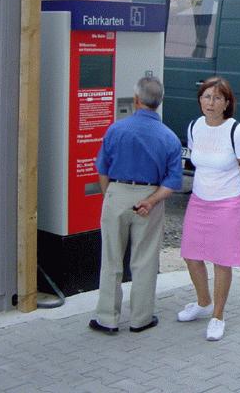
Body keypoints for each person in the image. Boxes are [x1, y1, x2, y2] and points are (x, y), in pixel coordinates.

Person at [89, 75, 183, 335]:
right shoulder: (170, 138)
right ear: (159, 102)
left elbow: (103, 169)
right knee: (144, 261)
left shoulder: (116, 129)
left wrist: (113, 196)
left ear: (136, 100)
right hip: (150, 197)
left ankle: (106, 318)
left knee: (111, 260)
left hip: (117, 193)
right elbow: (172, 182)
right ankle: (140, 319)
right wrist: (150, 201)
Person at [177, 75, 240, 341]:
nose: (210, 103)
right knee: (191, 253)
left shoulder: (236, 131)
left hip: (229, 203)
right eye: (206, 97)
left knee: (222, 260)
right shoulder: (194, 127)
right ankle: (203, 302)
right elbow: (198, 163)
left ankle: (218, 316)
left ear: (227, 103)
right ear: (200, 100)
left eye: (217, 98)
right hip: (200, 200)